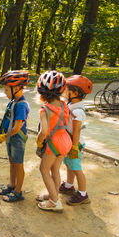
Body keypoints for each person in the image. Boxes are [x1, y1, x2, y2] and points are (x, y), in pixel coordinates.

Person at [35, 70, 72, 211]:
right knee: (55, 170)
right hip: (65, 141)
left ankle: (54, 202)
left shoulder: (45, 109)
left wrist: (39, 141)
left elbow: (43, 132)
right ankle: (53, 194)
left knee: (43, 170)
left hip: (53, 143)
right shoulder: (64, 105)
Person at [0, 70, 30, 202]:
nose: (5, 93)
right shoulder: (13, 101)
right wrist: (1, 133)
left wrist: (4, 136)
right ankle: (12, 184)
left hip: (17, 138)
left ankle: (18, 191)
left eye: (6, 90)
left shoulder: (21, 105)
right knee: (12, 161)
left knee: (18, 164)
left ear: (16, 88)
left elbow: (16, 128)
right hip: (10, 137)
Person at [60, 75, 93, 205]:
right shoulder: (71, 104)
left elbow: (77, 131)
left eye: (67, 89)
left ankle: (83, 194)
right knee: (69, 165)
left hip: (75, 144)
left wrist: (74, 147)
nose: (64, 92)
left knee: (77, 168)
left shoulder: (78, 111)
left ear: (75, 92)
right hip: (69, 142)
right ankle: (69, 185)